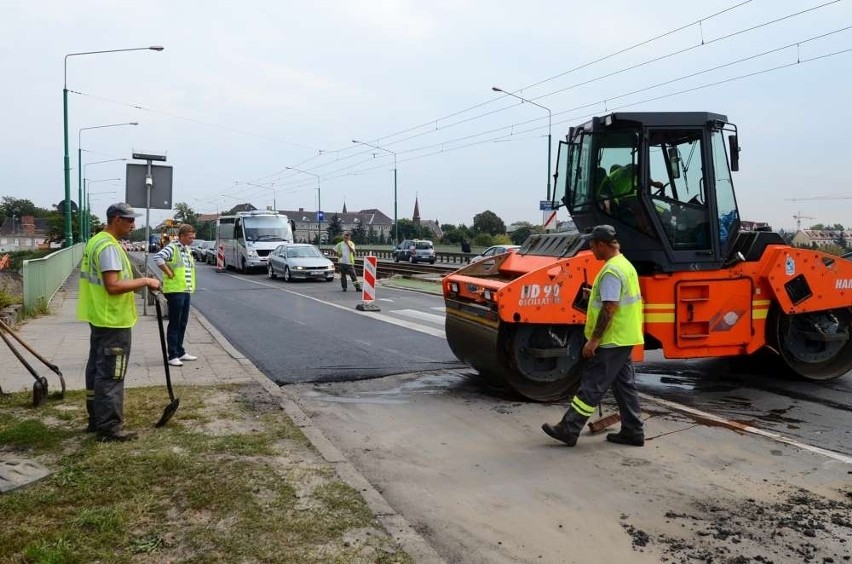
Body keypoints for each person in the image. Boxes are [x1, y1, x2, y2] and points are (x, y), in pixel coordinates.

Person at [542, 224, 645, 448]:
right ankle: (633, 431)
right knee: (624, 386)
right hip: (625, 336)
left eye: (592, 244)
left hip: (611, 339)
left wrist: (595, 340)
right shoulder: (624, 265)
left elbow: (609, 308)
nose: (590, 248)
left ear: (601, 244)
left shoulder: (610, 272)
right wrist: (594, 294)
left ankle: (569, 429)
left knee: (592, 385)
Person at [77, 202, 161, 442]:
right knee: (111, 374)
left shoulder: (96, 241)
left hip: (99, 316)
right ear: (116, 219)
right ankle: (109, 427)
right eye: (129, 220)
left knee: (96, 370)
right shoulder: (108, 247)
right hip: (113, 319)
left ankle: (95, 420)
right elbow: (113, 286)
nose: (133, 224)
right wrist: (146, 281)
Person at [154, 223, 197, 367]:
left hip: (184, 290)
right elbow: (158, 258)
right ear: (182, 236)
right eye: (190, 237)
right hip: (175, 291)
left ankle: (180, 351)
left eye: (193, 237)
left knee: (182, 323)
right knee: (175, 323)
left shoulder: (186, 248)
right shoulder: (173, 247)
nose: (192, 240)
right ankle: (172, 355)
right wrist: (168, 272)